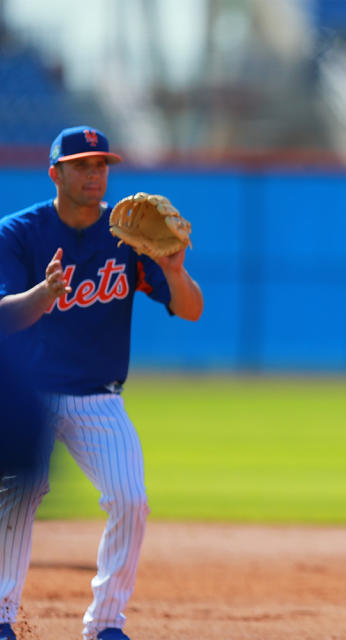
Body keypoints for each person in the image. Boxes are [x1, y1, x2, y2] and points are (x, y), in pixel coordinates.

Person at [0, 126, 204, 640]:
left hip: (98, 396)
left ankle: (106, 623)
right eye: (82, 165)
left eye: (101, 165)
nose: (95, 174)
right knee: (20, 493)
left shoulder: (129, 234)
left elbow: (191, 310)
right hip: (32, 394)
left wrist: (173, 271)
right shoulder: (18, 233)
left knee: (130, 499)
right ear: (55, 173)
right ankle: (2, 616)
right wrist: (44, 294)